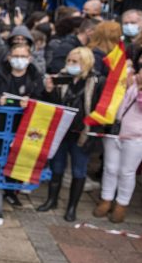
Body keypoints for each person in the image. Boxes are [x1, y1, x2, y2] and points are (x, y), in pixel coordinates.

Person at [0, 42, 46, 204]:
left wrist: (31, 102)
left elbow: (41, 99)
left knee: (14, 159)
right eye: (16, 56)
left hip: (20, 126)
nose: (19, 60)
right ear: (9, 57)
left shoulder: (35, 77)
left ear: (29, 58)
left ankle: (9, 192)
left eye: (23, 56)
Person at [37, 48, 105, 221]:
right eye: (69, 61)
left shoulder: (96, 81)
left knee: (78, 170)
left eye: (75, 62)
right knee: (57, 167)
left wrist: (94, 134)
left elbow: (100, 109)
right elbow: (52, 105)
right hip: (61, 131)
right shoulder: (61, 78)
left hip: (82, 133)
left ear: (86, 62)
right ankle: (52, 200)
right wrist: (50, 90)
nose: (70, 65)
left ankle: (72, 207)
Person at [94, 71, 142, 223]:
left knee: (126, 171)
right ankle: (106, 199)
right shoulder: (127, 79)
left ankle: (122, 203)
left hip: (135, 136)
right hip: (113, 131)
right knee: (110, 168)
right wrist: (122, 85)